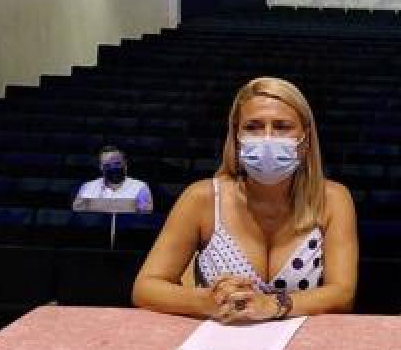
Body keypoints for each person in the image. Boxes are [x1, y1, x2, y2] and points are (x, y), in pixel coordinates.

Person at [133, 77, 358, 321]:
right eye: (253, 127)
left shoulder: (333, 199)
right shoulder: (201, 198)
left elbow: (342, 294)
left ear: (305, 139)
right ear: (236, 137)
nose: (267, 138)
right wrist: (206, 301)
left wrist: (274, 305)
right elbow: (145, 288)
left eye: (282, 126)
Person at [73, 145, 153, 213]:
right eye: (107, 165)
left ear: (125, 165)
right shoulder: (87, 187)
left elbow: (145, 218)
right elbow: (78, 217)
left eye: (117, 163)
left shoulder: (140, 187)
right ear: (101, 167)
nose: (113, 168)